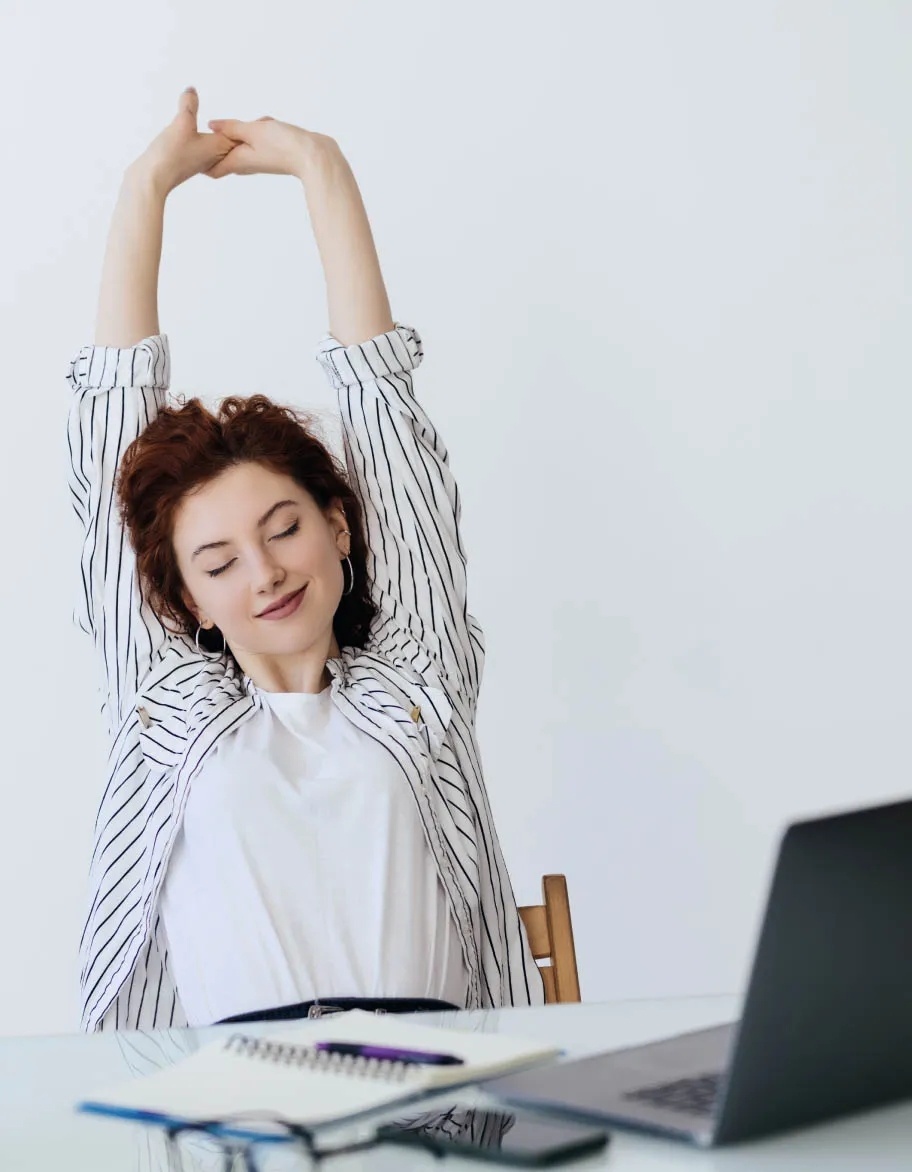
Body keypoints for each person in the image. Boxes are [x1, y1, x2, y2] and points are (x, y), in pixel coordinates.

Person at [67, 87, 544, 1031]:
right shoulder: (165, 703)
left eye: (284, 529)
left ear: (340, 527)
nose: (265, 573)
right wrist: (144, 189)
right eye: (219, 561)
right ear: (188, 602)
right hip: (236, 1123)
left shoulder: (417, 681)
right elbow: (107, 459)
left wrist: (322, 171)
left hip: (437, 1114)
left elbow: (390, 429)